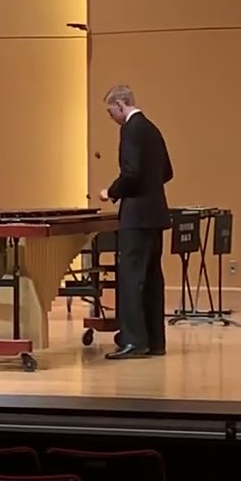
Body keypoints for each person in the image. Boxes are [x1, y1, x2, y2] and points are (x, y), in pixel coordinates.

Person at [98, 85, 173, 359]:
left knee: (131, 279)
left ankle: (133, 340)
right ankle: (155, 341)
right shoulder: (152, 129)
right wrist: (149, 190)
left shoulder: (130, 130)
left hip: (136, 217)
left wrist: (112, 192)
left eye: (111, 111)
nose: (111, 117)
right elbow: (167, 171)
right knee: (152, 278)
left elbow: (131, 173)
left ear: (121, 103)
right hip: (156, 214)